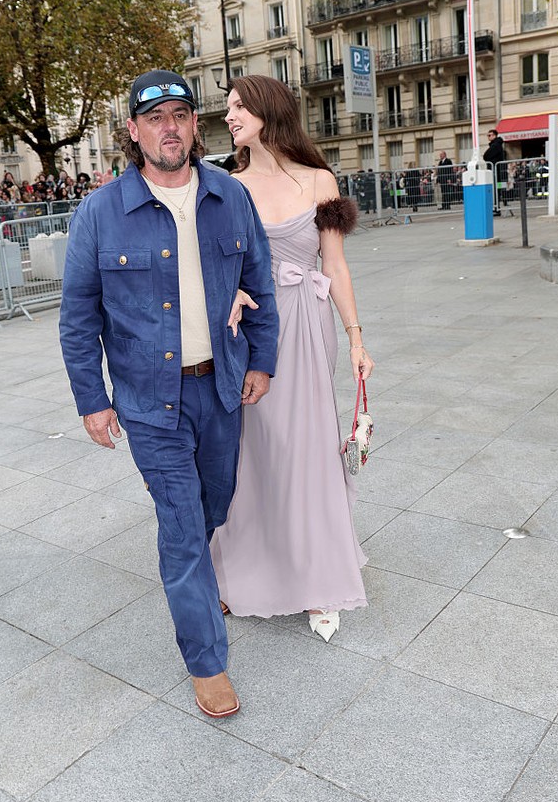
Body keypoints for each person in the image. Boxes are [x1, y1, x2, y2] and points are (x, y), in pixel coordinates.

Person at [59, 69, 279, 718]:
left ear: (194, 124)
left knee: (215, 500)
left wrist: (261, 359)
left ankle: (200, 581)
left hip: (220, 390)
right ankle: (207, 660)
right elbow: (78, 316)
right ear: (133, 130)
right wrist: (90, 398)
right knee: (183, 525)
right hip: (148, 401)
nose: (169, 126)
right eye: (154, 117)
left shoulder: (229, 197)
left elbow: (258, 282)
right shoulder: (100, 213)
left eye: (180, 113)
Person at [210, 75, 375, 643]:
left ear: (267, 111)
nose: (228, 116)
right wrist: (227, 291)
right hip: (255, 330)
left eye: (237, 107)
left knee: (306, 449)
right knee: (256, 451)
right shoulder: (229, 186)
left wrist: (356, 339)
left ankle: (316, 576)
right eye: (227, 108)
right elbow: (214, 264)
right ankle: (247, 565)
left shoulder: (319, 179)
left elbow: (336, 265)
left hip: (308, 326)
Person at [483, 128, 506, 210]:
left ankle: (496, 208)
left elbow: (486, 156)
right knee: (496, 189)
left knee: (495, 189)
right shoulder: (496, 144)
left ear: (494, 135)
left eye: (489, 135)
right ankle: (496, 206)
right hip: (495, 170)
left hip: (495, 170)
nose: (488, 137)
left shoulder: (495, 145)